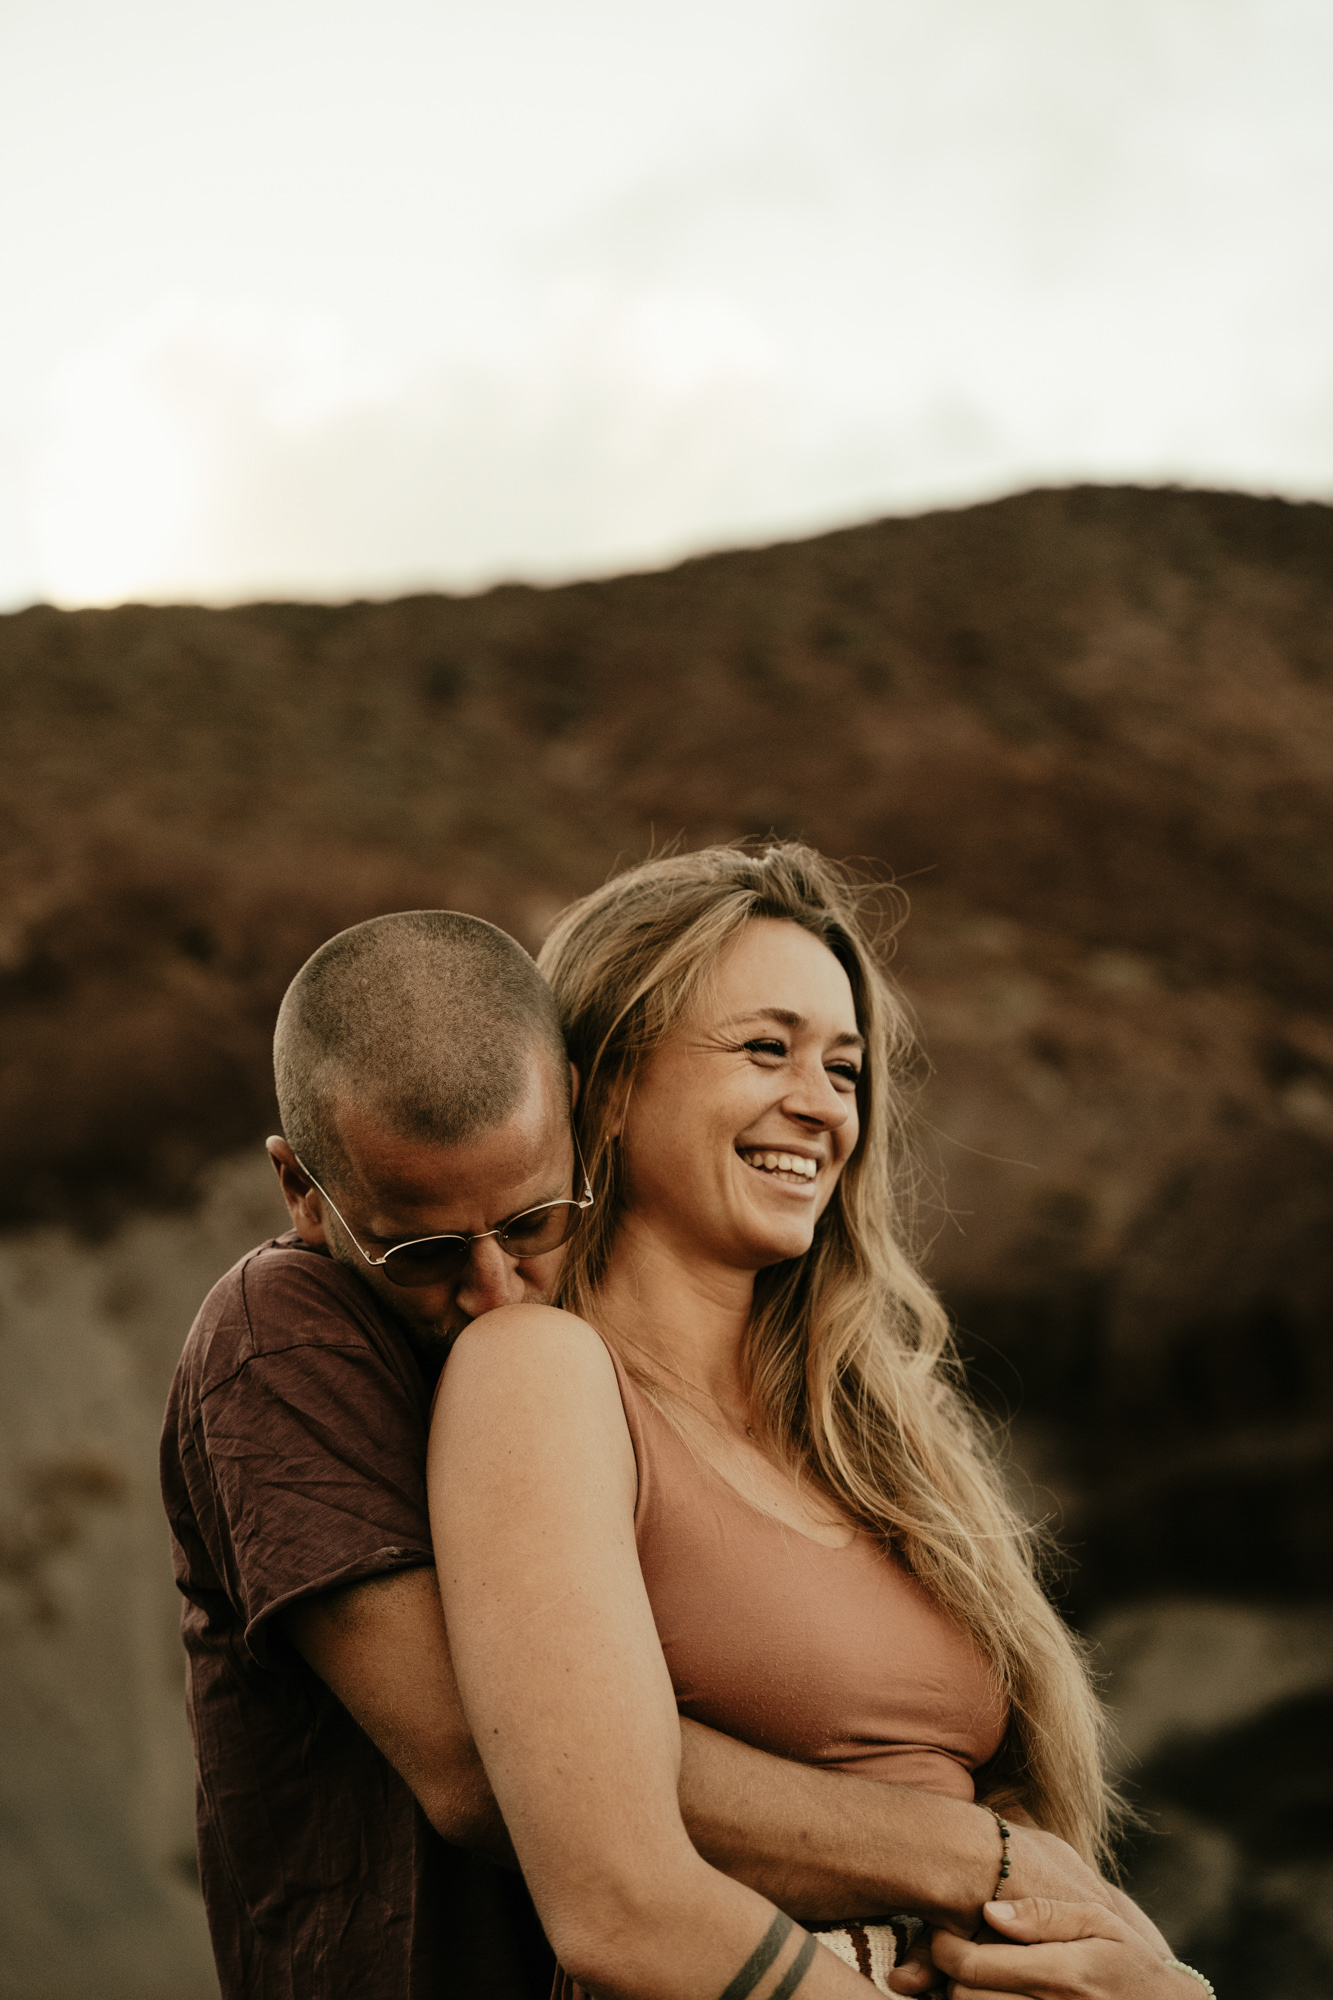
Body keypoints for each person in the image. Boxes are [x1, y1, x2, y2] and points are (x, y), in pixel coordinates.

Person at [161, 908, 1127, 2000]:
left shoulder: (862, 1420)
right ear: (300, 1187)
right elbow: (498, 1771)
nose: (489, 1288)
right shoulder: (293, 1330)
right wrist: (968, 1855)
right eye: (422, 1251)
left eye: (531, 1222)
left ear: (570, 1108)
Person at [428, 846, 1209, 2000]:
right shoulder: (541, 1373)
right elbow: (612, 1907)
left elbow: (1023, 1830)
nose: (820, 1102)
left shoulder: (886, 1433)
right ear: (603, 1084)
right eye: (764, 1047)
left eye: (844, 1068)